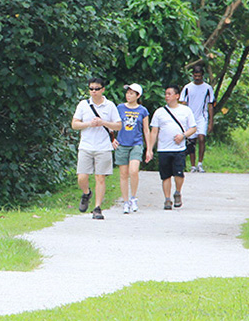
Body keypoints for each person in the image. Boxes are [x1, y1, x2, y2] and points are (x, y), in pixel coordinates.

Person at [72, 78, 122, 220]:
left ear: (103, 90)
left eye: (96, 89)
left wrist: (103, 122)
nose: (93, 91)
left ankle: (97, 208)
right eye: (91, 89)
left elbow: (118, 125)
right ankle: (87, 193)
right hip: (86, 145)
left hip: (103, 146)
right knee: (82, 176)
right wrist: (88, 124)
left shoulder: (110, 105)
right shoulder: (83, 105)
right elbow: (74, 124)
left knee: (100, 177)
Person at [148, 86, 197, 209]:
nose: (167, 96)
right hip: (163, 149)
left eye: (169, 94)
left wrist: (183, 135)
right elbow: (154, 131)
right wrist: (150, 149)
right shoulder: (159, 112)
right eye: (166, 94)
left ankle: (178, 192)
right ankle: (167, 199)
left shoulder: (186, 111)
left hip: (179, 148)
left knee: (179, 174)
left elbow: (193, 128)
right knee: (165, 175)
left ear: (177, 96)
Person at [114, 83, 152, 214]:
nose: (128, 95)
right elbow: (113, 124)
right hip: (122, 143)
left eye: (132, 93)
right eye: (128, 92)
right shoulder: (119, 108)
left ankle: (133, 198)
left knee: (133, 170)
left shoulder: (143, 110)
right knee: (123, 174)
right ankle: (125, 201)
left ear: (138, 95)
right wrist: (112, 139)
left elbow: (146, 130)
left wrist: (149, 148)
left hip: (136, 143)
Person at [180, 64, 215, 172]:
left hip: (202, 117)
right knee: (191, 141)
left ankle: (200, 163)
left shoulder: (208, 88)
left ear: (202, 76)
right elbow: (183, 104)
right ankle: (193, 165)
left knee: (201, 138)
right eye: (195, 76)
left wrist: (210, 122)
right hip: (190, 117)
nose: (197, 78)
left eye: (199, 76)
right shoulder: (187, 88)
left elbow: (210, 105)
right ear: (192, 75)